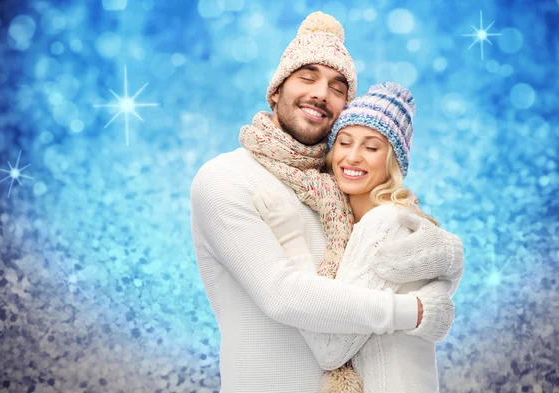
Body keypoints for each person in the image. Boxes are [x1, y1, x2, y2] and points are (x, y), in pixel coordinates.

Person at [190, 11, 458, 393]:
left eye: (337, 87)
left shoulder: (342, 188)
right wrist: (416, 311)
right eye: (307, 76)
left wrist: (445, 260)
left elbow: (388, 257)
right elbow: (282, 295)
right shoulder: (226, 178)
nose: (321, 93)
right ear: (277, 89)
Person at [244, 82, 464, 392]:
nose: (353, 157)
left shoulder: (384, 222)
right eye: (344, 143)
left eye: (371, 147)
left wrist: (291, 238)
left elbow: (331, 349)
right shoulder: (380, 221)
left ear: (393, 162)